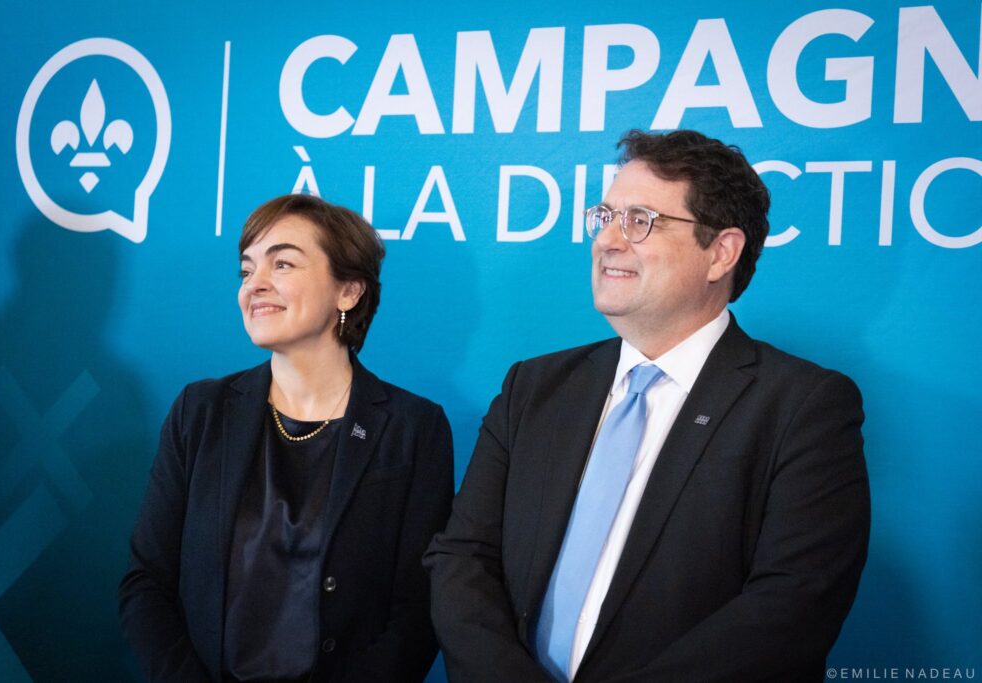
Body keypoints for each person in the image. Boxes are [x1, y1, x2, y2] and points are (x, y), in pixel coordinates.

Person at [424, 130, 870, 683]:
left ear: (721, 253)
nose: (607, 241)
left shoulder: (802, 406)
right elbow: (462, 559)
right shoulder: (534, 387)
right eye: (605, 216)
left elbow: (792, 607)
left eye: (640, 221)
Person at [119, 194, 454, 682]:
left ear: (349, 291)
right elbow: (147, 581)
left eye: (283, 264)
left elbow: (418, 608)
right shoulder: (201, 412)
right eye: (246, 269)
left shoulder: (413, 427)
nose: (255, 284)